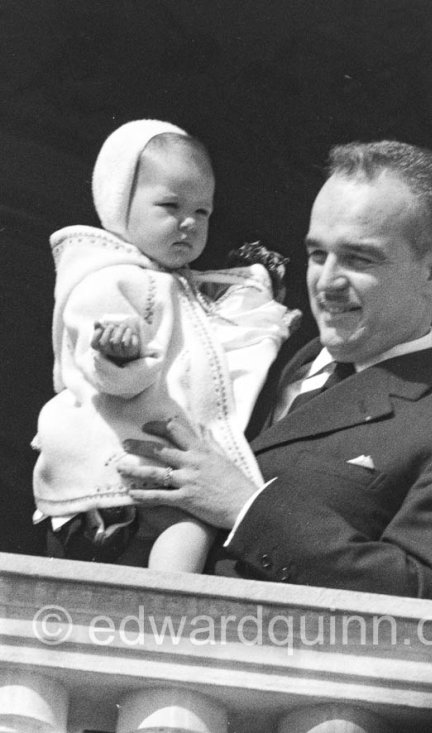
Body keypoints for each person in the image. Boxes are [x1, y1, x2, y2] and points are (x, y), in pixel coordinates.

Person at [116, 140, 432, 603]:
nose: (327, 283)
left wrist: (246, 508)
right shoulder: (246, 355)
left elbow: (424, 600)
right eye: (317, 255)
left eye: (358, 259)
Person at [33, 119, 298, 573]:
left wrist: (265, 321)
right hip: (112, 452)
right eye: (171, 205)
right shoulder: (105, 278)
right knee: (189, 527)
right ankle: (166, 603)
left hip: (156, 458)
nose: (189, 223)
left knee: (192, 526)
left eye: (203, 212)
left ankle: (162, 603)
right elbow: (97, 361)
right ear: (121, 204)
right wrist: (119, 353)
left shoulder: (184, 287)